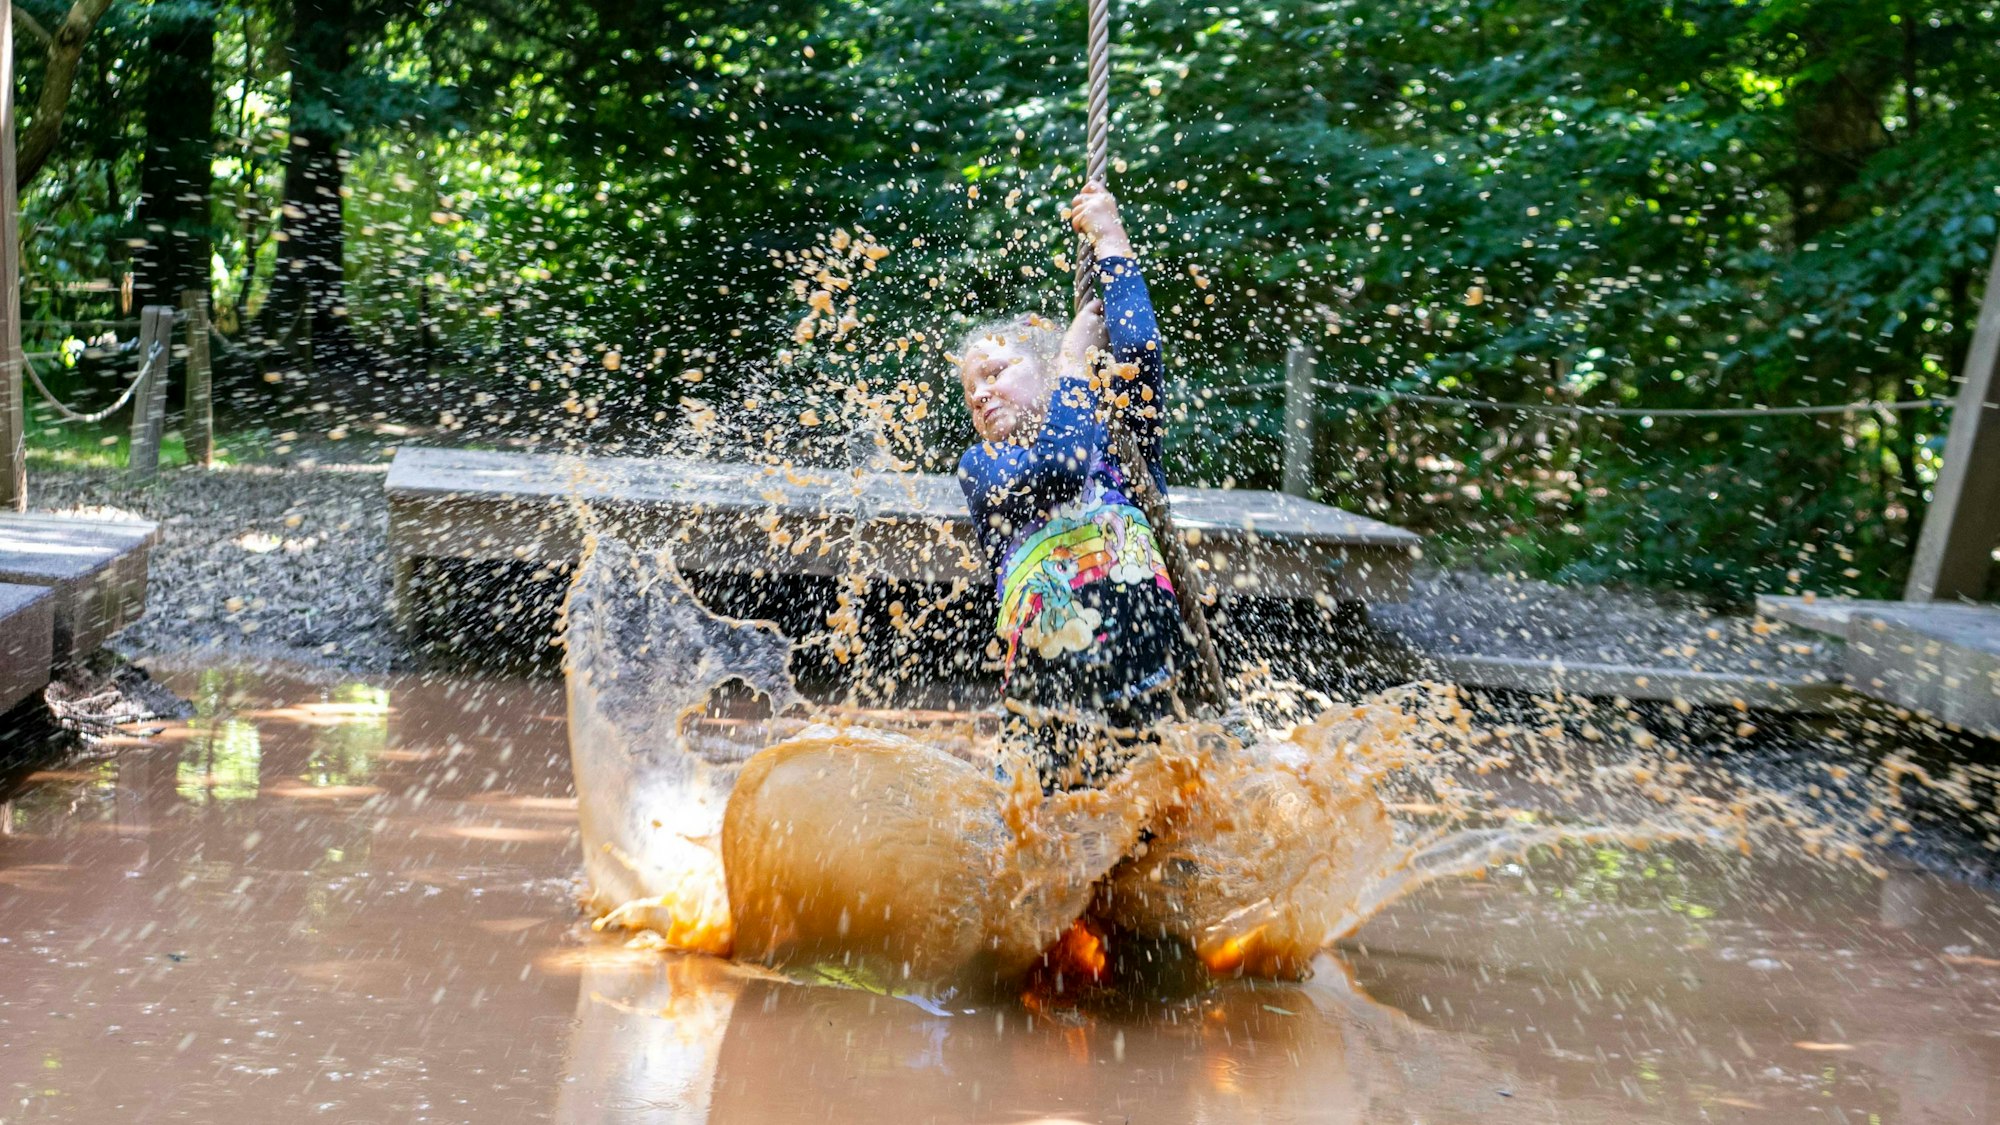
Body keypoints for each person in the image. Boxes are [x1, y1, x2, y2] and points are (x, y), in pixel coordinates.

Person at [955, 183, 1190, 792]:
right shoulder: (983, 465)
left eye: (996, 373)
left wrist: (1111, 237)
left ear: (1053, 367)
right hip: (1045, 685)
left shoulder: (1118, 436)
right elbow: (1060, 468)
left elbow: (1138, 349)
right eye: (970, 391)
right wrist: (1067, 363)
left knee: (1147, 817)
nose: (980, 395)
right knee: (1046, 829)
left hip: (1140, 664)